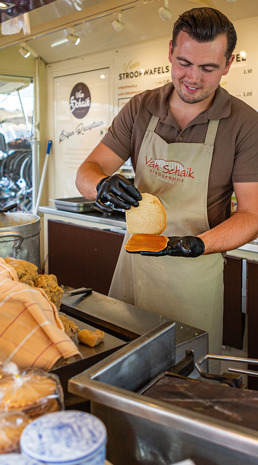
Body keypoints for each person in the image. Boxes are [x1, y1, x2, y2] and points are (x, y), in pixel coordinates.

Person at [76, 7, 258, 358]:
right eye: (184, 62)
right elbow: (88, 169)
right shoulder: (141, 107)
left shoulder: (245, 124)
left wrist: (196, 245)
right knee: (121, 364)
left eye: (208, 68)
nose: (192, 77)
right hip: (134, 265)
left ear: (229, 64)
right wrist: (101, 184)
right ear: (170, 51)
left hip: (192, 275)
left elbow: (251, 214)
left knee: (184, 377)